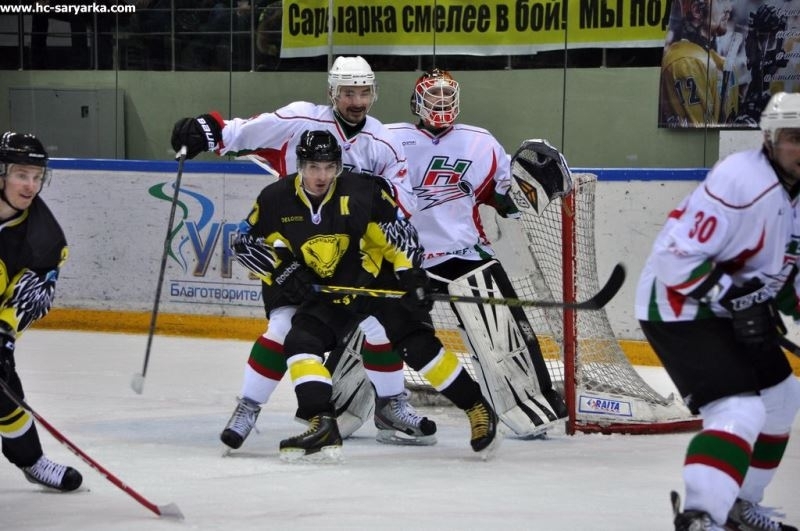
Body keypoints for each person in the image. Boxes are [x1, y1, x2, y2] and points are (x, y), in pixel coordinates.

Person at [170, 56, 435, 449]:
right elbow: (243, 133)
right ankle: (248, 408)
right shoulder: (300, 120)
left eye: (364, 92)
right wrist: (206, 131)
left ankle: (391, 404)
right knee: (282, 329)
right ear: (332, 93)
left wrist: (373, 206)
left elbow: (402, 203)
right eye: (348, 93)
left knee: (383, 326)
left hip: (354, 258)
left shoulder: (383, 141)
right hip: (297, 251)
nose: (356, 101)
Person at [231, 129, 498, 460]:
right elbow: (244, 242)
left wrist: (411, 275)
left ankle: (476, 407)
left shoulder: (362, 191)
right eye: (314, 167)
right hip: (330, 291)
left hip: (374, 282)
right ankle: (322, 424)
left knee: (415, 344)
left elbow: (399, 235)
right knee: (300, 342)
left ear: (338, 166)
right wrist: (283, 272)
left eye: (329, 167)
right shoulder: (276, 198)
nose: (322, 176)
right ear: (300, 166)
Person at [635, 92, 800, 530]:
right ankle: (702, 516)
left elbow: (790, 270)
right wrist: (737, 299)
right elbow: (674, 258)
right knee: (738, 411)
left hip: (731, 306)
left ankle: (738, 507)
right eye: (795, 138)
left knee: (782, 399)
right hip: (677, 304)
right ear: (770, 139)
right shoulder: (742, 181)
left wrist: (759, 301)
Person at [385, 69, 568, 426]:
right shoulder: (389, 138)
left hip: (464, 251)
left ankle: (530, 404)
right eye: (433, 96)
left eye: (446, 95)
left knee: (505, 331)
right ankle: (361, 404)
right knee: (374, 327)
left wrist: (522, 194)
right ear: (416, 102)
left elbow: (501, 199)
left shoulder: (480, 142)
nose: (441, 102)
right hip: (402, 257)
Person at [0, 132, 82, 492]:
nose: (31, 186)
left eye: (37, 176)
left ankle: (32, 460)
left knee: (7, 399)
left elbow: (27, 299)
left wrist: (3, 337)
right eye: (21, 174)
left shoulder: (45, 239)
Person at [659, 0, 738, 127]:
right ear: (697, 10)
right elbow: (703, 132)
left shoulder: (718, 60)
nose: (729, 8)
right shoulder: (685, 61)